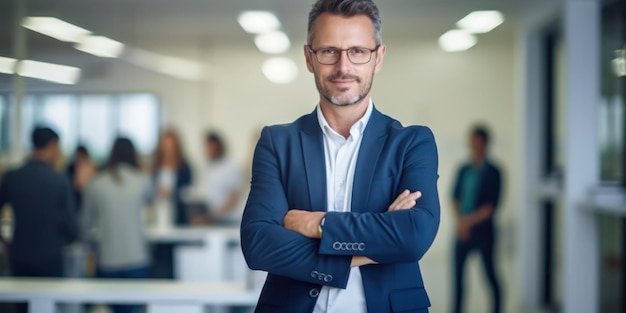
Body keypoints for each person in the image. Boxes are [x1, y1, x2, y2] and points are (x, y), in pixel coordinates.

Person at [240, 1, 440, 312]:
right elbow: (259, 245)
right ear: (309, 58)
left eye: (358, 51)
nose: (343, 67)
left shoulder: (412, 143)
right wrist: (380, 241)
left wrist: (319, 224)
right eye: (329, 51)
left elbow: (414, 235)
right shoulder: (277, 143)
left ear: (378, 57)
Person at [82, 137, 152, 313]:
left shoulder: (96, 182)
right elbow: (152, 206)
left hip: (108, 258)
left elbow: (84, 224)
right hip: (136, 256)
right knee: (134, 308)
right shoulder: (143, 180)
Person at [0, 127, 78, 279]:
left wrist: (5, 243)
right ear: (53, 144)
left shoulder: (12, 177)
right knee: (49, 299)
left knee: (22, 300)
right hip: (50, 257)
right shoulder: (60, 180)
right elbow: (72, 228)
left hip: (19, 255)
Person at [451, 125, 503, 313]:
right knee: (458, 280)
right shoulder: (464, 169)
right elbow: (455, 198)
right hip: (462, 231)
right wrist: (460, 223)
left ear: (485, 143)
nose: (473, 145)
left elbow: (490, 207)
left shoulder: (494, 172)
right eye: (471, 141)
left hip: (483, 233)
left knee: (490, 275)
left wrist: (467, 222)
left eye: (477, 141)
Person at [152, 129, 193, 226]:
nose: (168, 149)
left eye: (171, 146)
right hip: (159, 211)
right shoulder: (155, 167)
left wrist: (172, 192)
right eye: (166, 146)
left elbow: (188, 192)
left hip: (179, 214)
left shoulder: (184, 167)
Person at [202, 131, 243, 224]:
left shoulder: (232, 167)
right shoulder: (209, 168)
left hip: (230, 219)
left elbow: (234, 197)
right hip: (213, 219)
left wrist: (215, 215)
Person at [66, 144, 97, 212]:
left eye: (81, 156)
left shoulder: (91, 168)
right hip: (74, 200)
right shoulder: (71, 169)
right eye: (77, 156)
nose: (79, 159)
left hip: (87, 199)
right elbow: (76, 185)